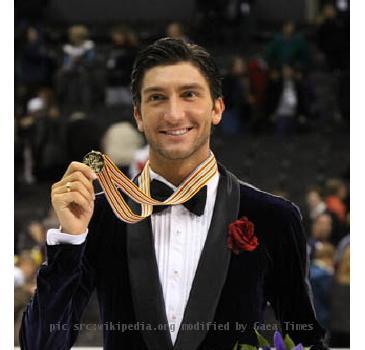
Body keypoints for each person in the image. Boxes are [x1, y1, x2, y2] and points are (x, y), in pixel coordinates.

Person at [20, 38, 328, 349]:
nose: (174, 114)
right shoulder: (99, 216)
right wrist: (71, 240)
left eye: (189, 94)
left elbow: (305, 338)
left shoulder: (274, 218)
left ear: (217, 108)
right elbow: (40, 344)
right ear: (139, 115)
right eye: (157, 98)